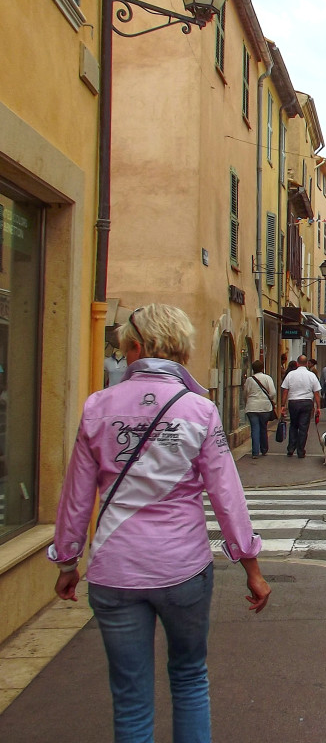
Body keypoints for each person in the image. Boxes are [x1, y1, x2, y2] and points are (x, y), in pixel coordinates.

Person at [49, 303, 270, 743]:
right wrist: (252, 568)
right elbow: (228, 497)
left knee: (130, 698)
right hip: (182, 568)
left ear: (136, 347)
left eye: (122, 348)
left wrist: (68, 562)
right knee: (189, 679)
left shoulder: (98, 406)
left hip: (116, 569)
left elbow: (77, 495)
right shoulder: (200, 411)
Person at [280, 355, 321, 458]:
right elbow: (316, 392)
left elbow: (285, 390)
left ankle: (291, 448)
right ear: (307, 363)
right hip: (307, 403)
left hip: (293, 402)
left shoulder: (290, 374)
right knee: (303, 427)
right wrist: (318, 407)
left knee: (293, 425)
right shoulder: (311, 375)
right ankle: (300, 451)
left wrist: (282, 405)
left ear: (297, 363)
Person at [243, 359, 277, 459]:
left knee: (255, 428)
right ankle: (264, 449)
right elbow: (273, 392)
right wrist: (270, 398)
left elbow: (245, 393)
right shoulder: (267, 378)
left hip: (252, 407)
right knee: (263, 428)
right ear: (262, 368)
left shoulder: (249, 380)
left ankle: (255, 452)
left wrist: (247, 402)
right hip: (265, 407)